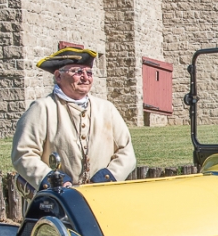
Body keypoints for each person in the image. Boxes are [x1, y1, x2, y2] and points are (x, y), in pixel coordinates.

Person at [12, 47, 136, 190]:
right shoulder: (42, 109)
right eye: (78, 72)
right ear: (58, 76)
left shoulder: (107, 109)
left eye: (89, 73)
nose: (85, 77)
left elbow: (126, 152)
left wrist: (107, 177)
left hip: (100, 195)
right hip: (57, 199)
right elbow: (23, 154)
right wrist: (54, 180)